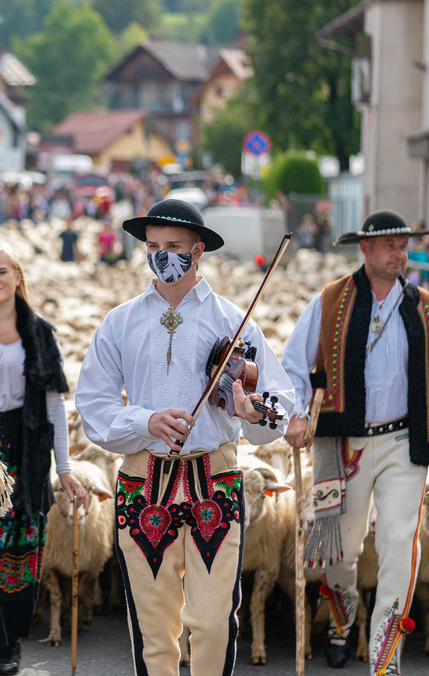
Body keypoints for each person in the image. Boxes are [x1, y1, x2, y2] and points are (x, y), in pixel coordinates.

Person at [75, 199, 294, 675]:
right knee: (153, 629)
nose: (162, 255)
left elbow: (277, 405)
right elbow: (93, 404)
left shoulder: (234, 322)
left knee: (214, 622)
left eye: (173, 246)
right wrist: (146, 422)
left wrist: (249, 409)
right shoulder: (120, 321)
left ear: (198, 250)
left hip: (214, 476)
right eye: (153, 246)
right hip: (142, 478)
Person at [282, 210, 429, 676]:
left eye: (403, 246)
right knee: (340, 547)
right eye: (389, 246)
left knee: (397, 544)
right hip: (342, 442)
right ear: (364, 250)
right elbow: (292, 364)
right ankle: (344, 617)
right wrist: (295, 414)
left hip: (406, 442)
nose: (399, 254)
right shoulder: (330, 301)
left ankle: (386, 660)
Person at [0, 245, 88, 676]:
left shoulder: (40, 334)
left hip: (25, 450)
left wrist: (64, 469)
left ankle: (10, 646)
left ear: (17, 277)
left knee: (18, 549)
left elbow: (53, 409)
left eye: (2, 272)